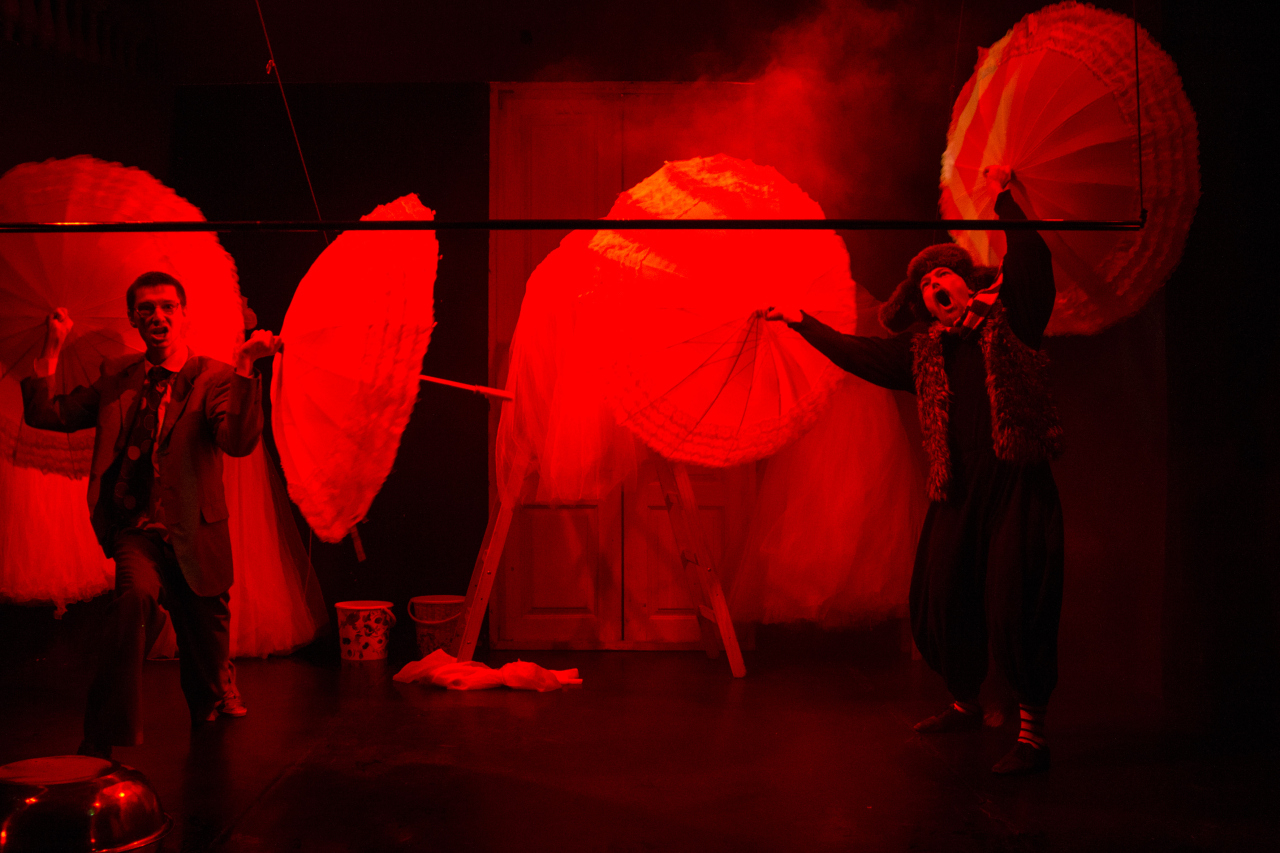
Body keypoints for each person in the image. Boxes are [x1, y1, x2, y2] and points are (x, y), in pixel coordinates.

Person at [767, 166, 1064, 775]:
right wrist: (802, 321)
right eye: (925, 284)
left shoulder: (1014, 318)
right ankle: (965, 702)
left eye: (942, 275)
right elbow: (860, 354)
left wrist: (1005, 198)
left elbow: (1031, 258)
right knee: (939, 596)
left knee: (1016, 601)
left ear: (966, 281)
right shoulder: (925, 351)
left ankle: (1032, 735)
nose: (934, 286)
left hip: (1014, 480)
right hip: (957, 488)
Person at [22, 271, 281, 759]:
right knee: (133, 601)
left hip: (195, 533)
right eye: (146, 309)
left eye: (167, 306)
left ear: (184, 314)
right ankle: (100, 738)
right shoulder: (116, 376)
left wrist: (247, 367)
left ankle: (215, 686)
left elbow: (238, 441)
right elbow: (47, 414)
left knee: (206, 674)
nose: (157, 316)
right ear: (133, 319)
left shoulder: (213, 377)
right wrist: (53, 347)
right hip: (135, 530)